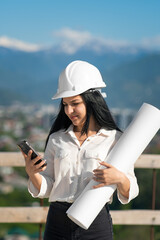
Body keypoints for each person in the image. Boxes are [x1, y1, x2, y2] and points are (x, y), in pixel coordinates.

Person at [23, 60, 139, 240]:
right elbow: (49, 187)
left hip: (95, 224)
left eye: (75, 103)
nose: (69, 110)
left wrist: (120, 178)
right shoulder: (57, 139)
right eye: (65, 104)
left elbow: (131, 189)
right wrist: (33, 174)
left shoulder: (115, 139)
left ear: (91, 101)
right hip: (57, 223)